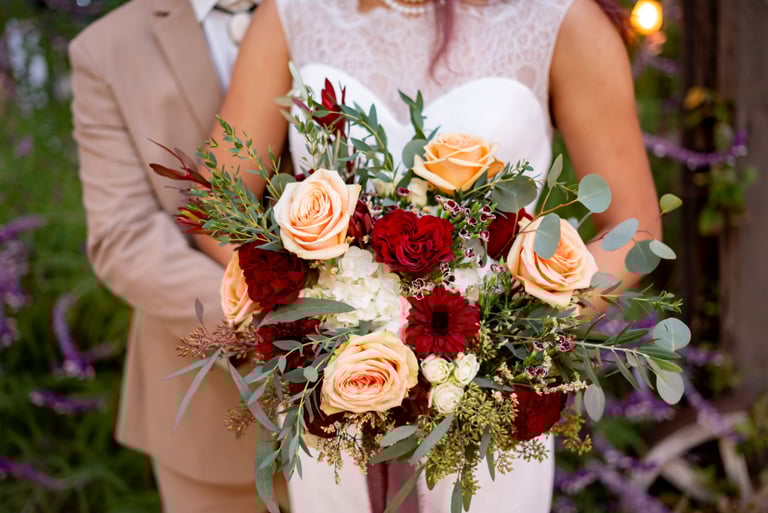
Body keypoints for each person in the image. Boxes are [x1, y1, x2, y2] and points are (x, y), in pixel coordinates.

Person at [196, 0, 661, 512]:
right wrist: (306, 309)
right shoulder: (291, 14)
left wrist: (515, 337)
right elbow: (215, 203)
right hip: (336, 402)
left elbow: (633, 231)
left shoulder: (563, 18)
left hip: (490, 413)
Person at [68, 0, 289, 511]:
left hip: (389, 412)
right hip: (213, 418)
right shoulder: (107, 49)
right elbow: (125, 238)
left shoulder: (352, 11)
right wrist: (282, 327)